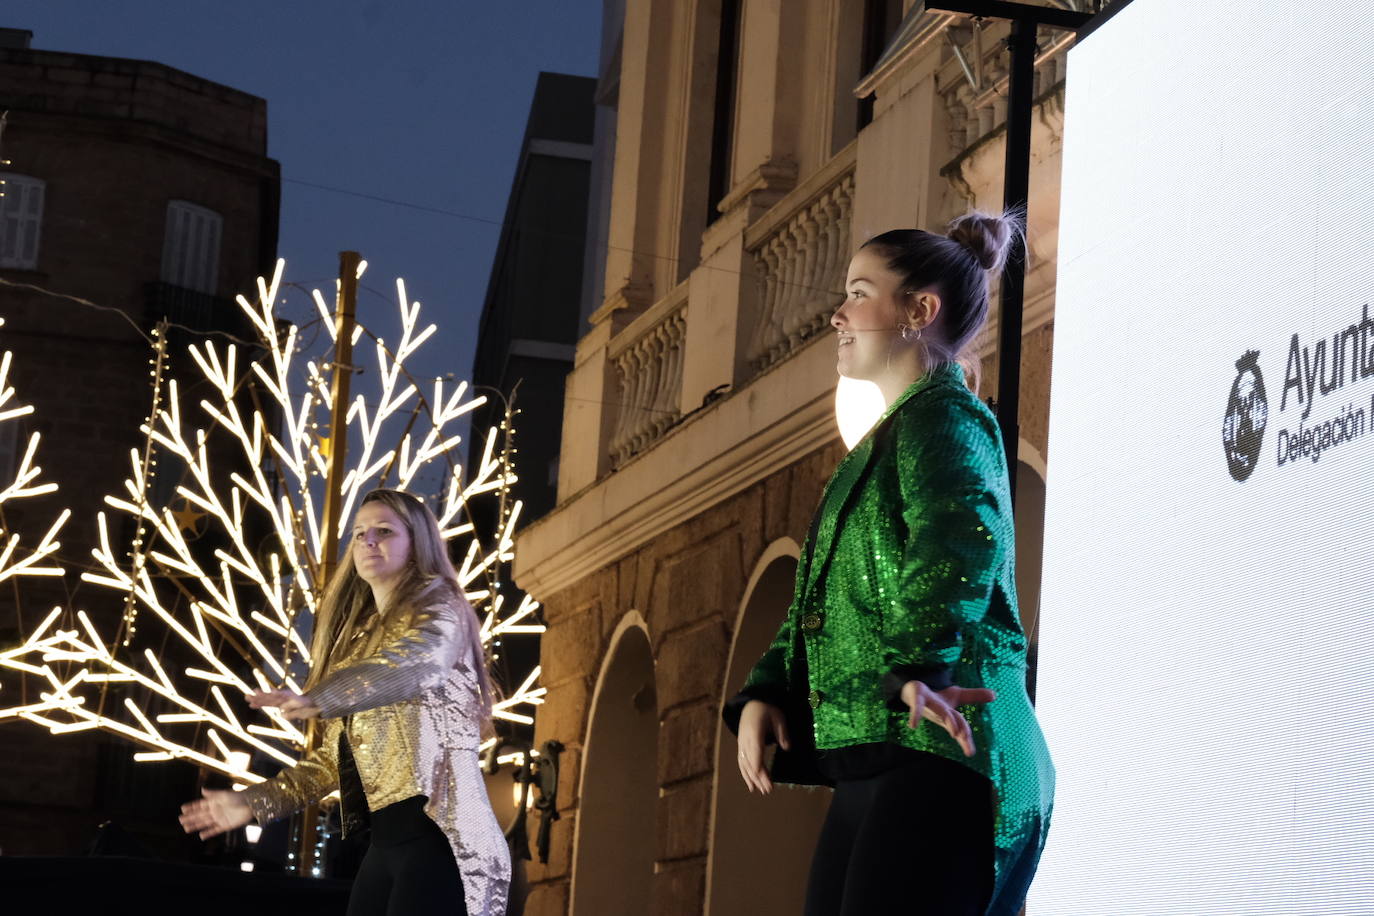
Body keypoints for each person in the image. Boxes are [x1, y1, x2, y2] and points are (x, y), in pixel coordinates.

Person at [723, 211, 1054, 916]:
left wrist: (918, 669)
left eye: (860, 292)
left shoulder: (948, 422)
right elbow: (821, 605)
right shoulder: (886, 441)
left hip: (949, 749)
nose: (838, 315)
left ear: (919, 310)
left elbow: (957, 542)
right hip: (885, 751)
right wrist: (769, 690)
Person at [179, 487, 510, 916]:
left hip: (448, 840)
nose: (369, 541)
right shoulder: (357, 646)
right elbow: (334, 762)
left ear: (417, 544)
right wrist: (253, 802)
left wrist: (325, 696)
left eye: (385, 531)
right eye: (359, 533)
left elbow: (416, 662)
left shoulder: (441, 607)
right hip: (387, 846)